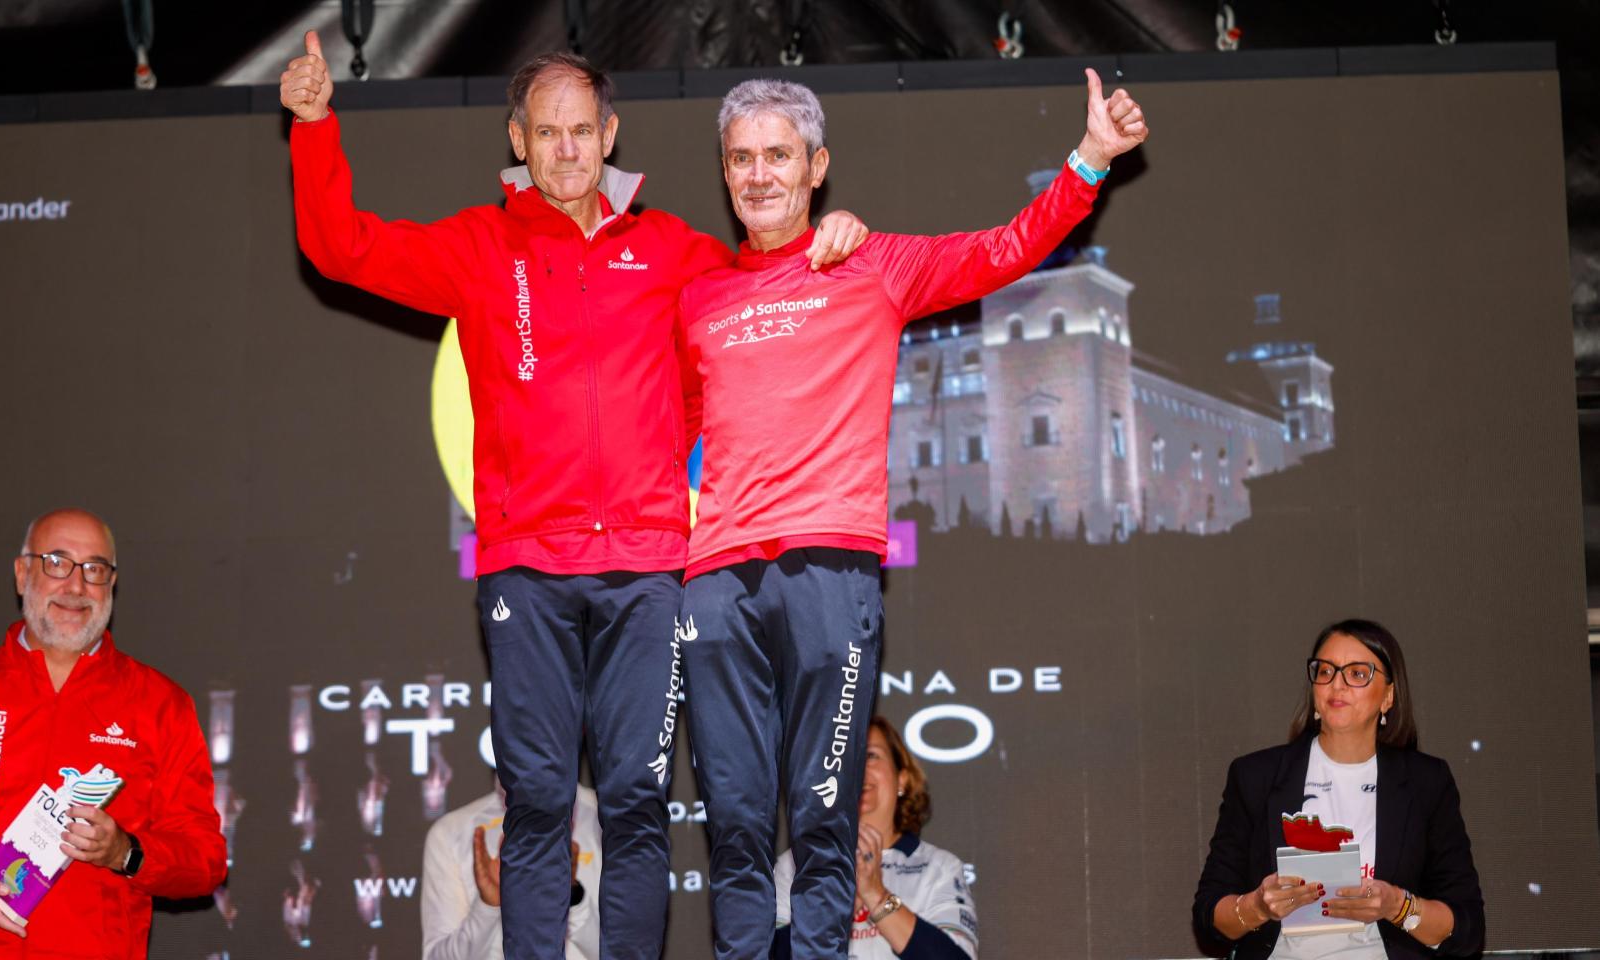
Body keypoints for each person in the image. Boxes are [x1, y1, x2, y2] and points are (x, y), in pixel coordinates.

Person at [279, 37, 866, 960]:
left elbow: (766, 290)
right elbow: (337, 246)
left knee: (637, 800)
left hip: (646, 568)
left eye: (581, 131)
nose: (565, 150)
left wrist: (838, 235)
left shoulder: (674, 249)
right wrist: (314, 127)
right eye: (546, 133)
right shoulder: (479, 245)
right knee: (541, 802)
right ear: (519, 139)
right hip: (527, 567)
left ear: (610, 134)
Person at [677, 72, 1146, 959]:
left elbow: (1009, 248)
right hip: (718, 581)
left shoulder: (874, 264)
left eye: (778, 155)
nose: (758, 174)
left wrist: (1089, 160)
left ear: (817, 167)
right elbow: (676, 436)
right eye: (740, 158)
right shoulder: (700, 298)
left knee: (822, 821)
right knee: (736, 827)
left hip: (830, 568)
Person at [0, 509, 227, 958]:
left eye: (94, 569)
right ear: (21, 573)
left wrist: (126, 853)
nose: (75, 586)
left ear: (112, 584)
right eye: (56, 562)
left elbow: (205, 859)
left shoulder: (160, 704)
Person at [1193, 619, 1485, 959]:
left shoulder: (1426, 782)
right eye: (1326, 671)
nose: (1337, 685)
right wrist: (1258, 905)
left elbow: (1467, 928)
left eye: (1357, 674)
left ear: (1388, 696)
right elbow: (1209, 918)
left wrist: (1397, 906)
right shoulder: (1255, 777)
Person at [772, 717, 976, 959]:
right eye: (844, 760)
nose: (856, 769)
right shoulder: (794, 866)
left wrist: (876, 896)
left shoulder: (938, 867)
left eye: (870, 756)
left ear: (902, 778)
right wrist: (833, 908)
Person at [422, 781, 603, 960]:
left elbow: (626, 951)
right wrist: (487, 907)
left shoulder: (606, 820)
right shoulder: (451, 832)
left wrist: (572, 896)